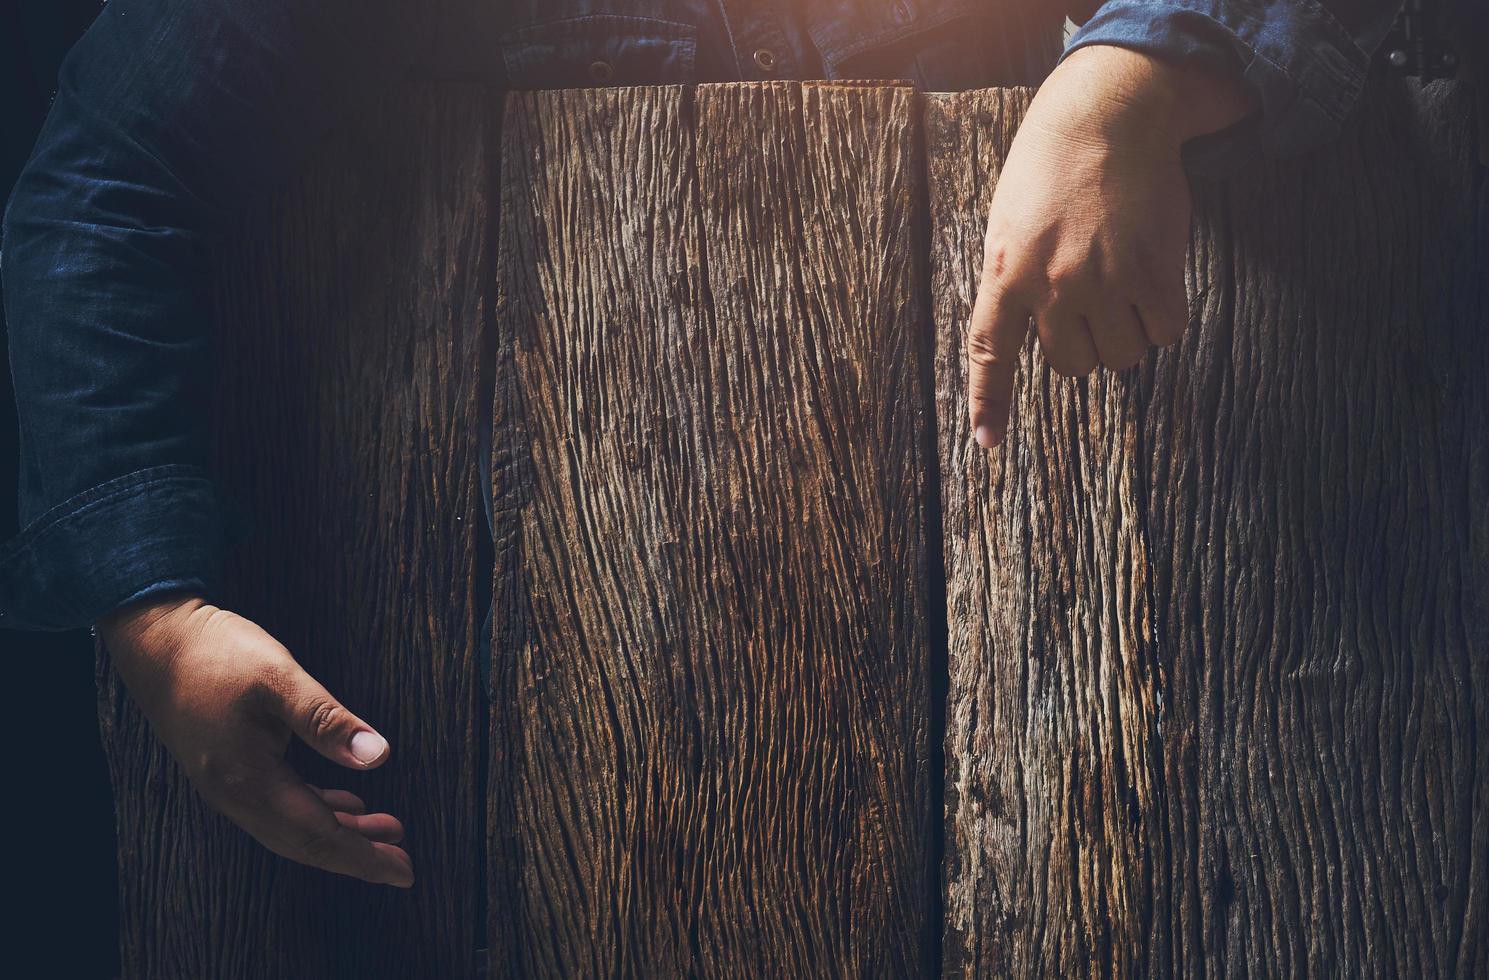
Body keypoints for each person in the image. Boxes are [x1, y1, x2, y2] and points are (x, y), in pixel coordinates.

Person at [0, 0, 1403, 889]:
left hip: (1132, 724)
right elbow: (107, 168)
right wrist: (157, 611)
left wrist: (1126, 77)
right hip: (506, 752)